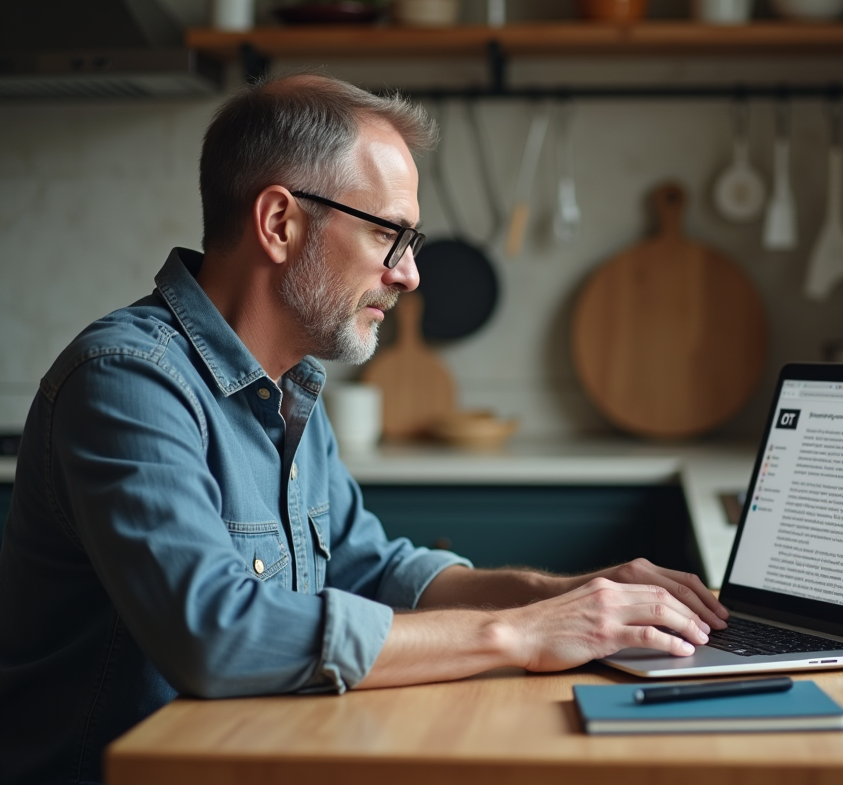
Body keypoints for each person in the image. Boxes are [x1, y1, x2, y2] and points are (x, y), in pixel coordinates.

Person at [0, 74, 727, 785]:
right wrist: (521, 634)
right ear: (279, 223)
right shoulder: (128, 380)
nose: (409, 275)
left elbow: (372, 572)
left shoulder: (288, 389)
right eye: (387, 234)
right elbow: (216, 634)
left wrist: (564, 593)